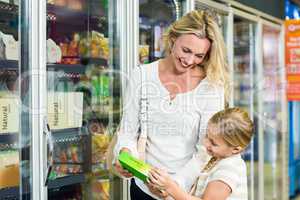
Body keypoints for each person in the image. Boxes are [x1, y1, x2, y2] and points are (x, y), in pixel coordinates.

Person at [113, 9, 229, 200]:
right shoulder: (142, 75)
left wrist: (174, 186)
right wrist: (125, 155)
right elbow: (128, 131)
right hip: (143, 188)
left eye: (199, 55)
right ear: (173, 38)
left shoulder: (212, 87)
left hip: (186, 191)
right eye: (186, 50)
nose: (190, 61)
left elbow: (205, 149)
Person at [148, 107, 254, 200]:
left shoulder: (229, 168)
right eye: (207, 136)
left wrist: (171, 188)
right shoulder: (213, 159)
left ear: (235, 149)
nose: (205, 143)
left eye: (213, 143)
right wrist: (166, 190)